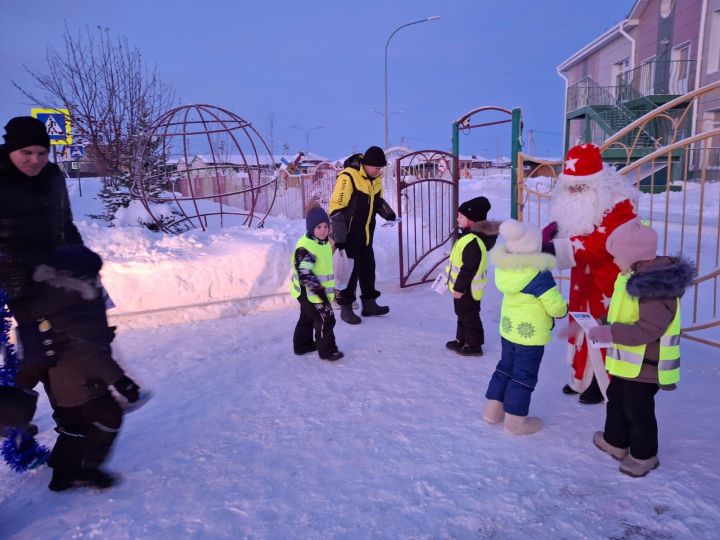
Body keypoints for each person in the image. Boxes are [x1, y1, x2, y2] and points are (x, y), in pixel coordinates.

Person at [0, 116, 142, 491]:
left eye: (42, 152)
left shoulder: (53, 176)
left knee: (73, 347)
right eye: (26, 153)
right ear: (10, 148)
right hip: (18, 290)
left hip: (56, 277)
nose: (34, 160)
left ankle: (72, 446)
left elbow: (65, 225)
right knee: (44, 356)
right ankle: (34, 423)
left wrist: (82, 262)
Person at [587, 220, 694, 477]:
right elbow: (623, 313)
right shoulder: (630, 277)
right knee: (616, 399)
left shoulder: (654, 287)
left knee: (638, 409)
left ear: (633, 257)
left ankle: (645, 455)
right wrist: (601, 323)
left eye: (617, 257)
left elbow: (649, 328)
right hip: (627, 361)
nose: (614, 262)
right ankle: (616, 442)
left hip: (646, 365)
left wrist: (611, 332)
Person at [544, 143, 638, 404]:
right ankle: (580, 377)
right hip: (581, 279)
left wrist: (554, 247)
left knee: (602, 330)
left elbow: (600, 243)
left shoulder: (619, 205)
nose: (574, 190)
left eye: (580, 185)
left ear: (596, 182)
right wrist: (547, 237)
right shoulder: (570, 200)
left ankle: (601, 381)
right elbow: (564, 229)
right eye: (570, 185)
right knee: (581, 327)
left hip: (607, 280)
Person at [483, 219, 567, 434]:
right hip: (530, 335)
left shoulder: (505, 269)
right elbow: (554, 305)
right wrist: (563, 310)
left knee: (505, 367)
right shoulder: (538, 274)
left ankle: (492, 411)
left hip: (509, 330)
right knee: (524, 374)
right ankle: (515, 421)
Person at [329, 146, 396, 325]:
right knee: (350, 273)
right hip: (349, 235)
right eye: (376, 168)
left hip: (366, 234)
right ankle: (346, 308)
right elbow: (336, 209)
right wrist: (340, 239)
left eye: (381, 168)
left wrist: (387, 212)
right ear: (366, 164)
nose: (379, 171)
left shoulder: (376, 178)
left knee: (368, 269)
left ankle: (369, 304)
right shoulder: (348, 177)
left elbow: (377, 200)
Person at [445, 196, 498, 356]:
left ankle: (474, 345)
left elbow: (468, 268)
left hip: (468, 288)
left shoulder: (473, 241)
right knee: (461, 314)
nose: (457, 218)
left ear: (472, 221)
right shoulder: (468, 236)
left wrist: (459, 288)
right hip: (461, 288)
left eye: (461, 216)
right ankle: (462, 340)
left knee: (470, 316)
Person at [290, 204, 343, 361]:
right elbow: (305, 274)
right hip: (310, 292)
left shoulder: (322, 242)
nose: (323, 230)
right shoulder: (308, 247)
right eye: (318, 227)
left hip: (309, 291)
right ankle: (327, 350)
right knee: (325, 319)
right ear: (310, 228)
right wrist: (321, 293)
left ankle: (302, 345)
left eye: (326, 226)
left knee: (307, 317)